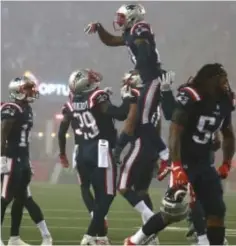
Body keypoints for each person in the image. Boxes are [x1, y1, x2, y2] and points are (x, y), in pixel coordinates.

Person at [124, 63, 235, 246]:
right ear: (211, 79)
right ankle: (135, 241)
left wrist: (227, 162)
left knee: (216, 211)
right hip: (184, 161)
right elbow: (175, 130)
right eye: (222, 80)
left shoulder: (224, 100)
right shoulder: (191, 95)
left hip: (205, 163)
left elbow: (229, 134)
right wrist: (176, 165)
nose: (226, 84)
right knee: (173, 211)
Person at [60, 68, 118, 245]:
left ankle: (99, 234)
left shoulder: (70, 104)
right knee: (107, 193)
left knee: (88, 188)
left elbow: (61, 131)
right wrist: (130, 99)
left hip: (81, 149)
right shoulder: (96, 97)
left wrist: (62, 152)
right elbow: (118, 114)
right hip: (99, 148)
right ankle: (92, 233)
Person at [1, 76, 52, 246]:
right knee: (5, 197)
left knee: (21, 199)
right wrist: (2, 159)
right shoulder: (11, 108)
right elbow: (2, 134)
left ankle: (14, 238)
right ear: (18, 91)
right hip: (11, 158)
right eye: (28, 89)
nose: (32, 92)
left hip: (22, 159)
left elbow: (25, 139)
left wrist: (27, 160)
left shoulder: (27, 109)